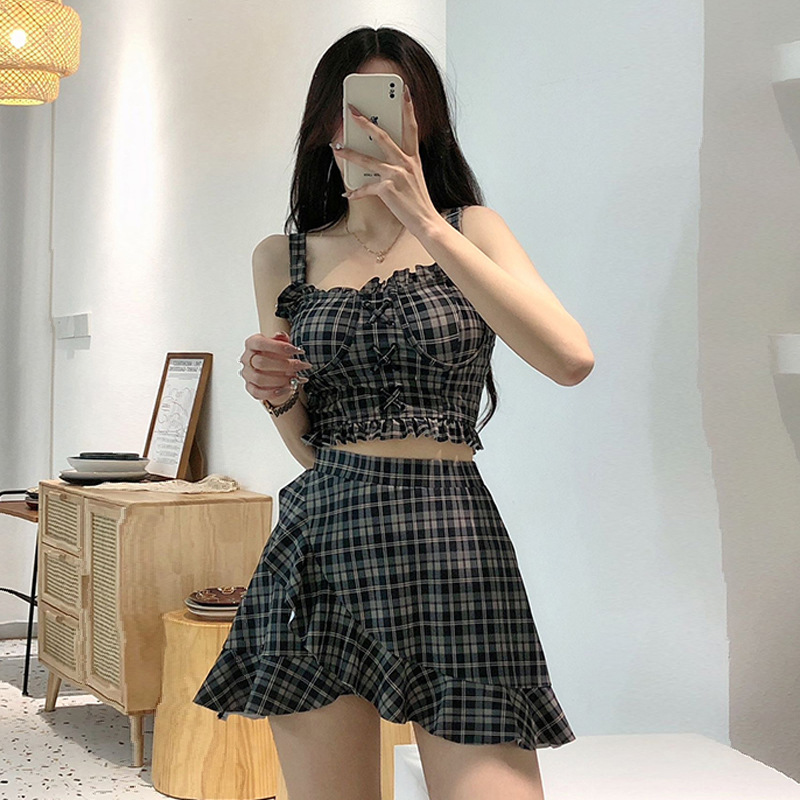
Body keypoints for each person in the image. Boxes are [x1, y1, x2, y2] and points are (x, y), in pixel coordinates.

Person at [193, 25, 593, 800]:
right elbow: (308, 448)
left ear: (426, 118)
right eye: (355, 105)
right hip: (326, 538)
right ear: (324, 121)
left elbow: (569, 359)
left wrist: (426, 221)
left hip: (452, 540)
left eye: (393, 103)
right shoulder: (283, 257)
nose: (371, 124)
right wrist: (276, 392)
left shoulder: (471, 229)